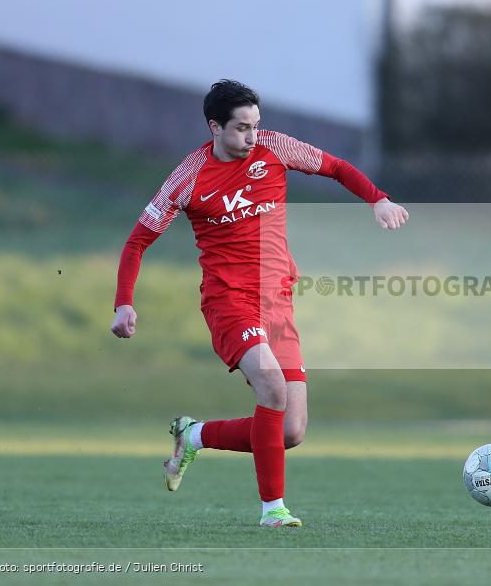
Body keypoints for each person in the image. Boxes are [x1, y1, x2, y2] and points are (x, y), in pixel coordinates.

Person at [111, 79, 409, 528]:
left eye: (256, 125)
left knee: (291, 430)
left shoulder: (275, 148)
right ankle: (274, 511)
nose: (252, 137)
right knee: (270, 387)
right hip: (229, 302)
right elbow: (137, 242)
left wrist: (377, 199)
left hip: (278, 302)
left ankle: (195, 435)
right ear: (215, 127)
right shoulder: (188, 177)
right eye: (242, 128)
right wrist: (124, 303)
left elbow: (336, 167)